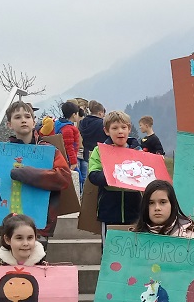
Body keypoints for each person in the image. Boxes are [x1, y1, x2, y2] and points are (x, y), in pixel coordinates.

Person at [4, 101, 73, 240]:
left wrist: (29, 174)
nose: (23, 120)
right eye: (17, 117)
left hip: (41, 223)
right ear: (9, 124)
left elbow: (64, 177)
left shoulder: (49, 150)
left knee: (37, 253)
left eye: (27, 116)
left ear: (34, 122)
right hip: (9, 223)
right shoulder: (2, 152)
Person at [86, 110, 143, 240]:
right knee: (109, 246)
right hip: (109, 208)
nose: (120, 131)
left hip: (135, 208)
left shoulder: (138, 151)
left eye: (123, 127)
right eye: (115, 128)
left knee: (134, 245)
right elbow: (93, 175)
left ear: (129, 129)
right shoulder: (99, 151)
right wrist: (114, 175)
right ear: (107, 131)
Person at [78, 100, 107, 190]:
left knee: (86, 180)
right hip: (99, 154)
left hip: (85, 153)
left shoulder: (82, 122)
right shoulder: (102, 124)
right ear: (100, 112)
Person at [55, 102, 81, 168]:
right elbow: (69, 146)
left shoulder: (58, 124)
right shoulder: (68, 129)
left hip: (61, 158)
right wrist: (73, 162)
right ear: (74, 115)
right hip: (68, 160)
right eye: (77, 114)